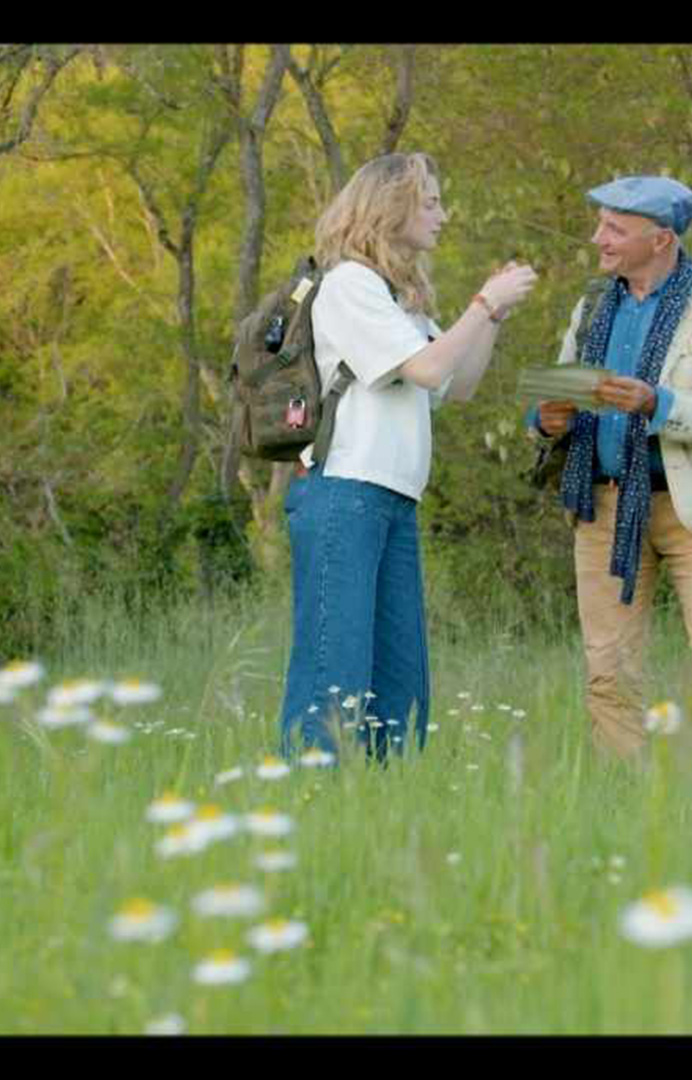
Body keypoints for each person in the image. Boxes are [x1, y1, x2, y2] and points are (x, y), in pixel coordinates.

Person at [280, 151, 537, 762]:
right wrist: (480, 306)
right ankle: (311, 803)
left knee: (399, 680)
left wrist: (491, 312)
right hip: (343, 492)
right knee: (333, 671)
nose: (443, 216)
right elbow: (424, 368)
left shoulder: (402, 297)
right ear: (390, 207)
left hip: (393, 499)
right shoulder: (349, 284)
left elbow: (457, 383)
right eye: (431, 202)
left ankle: (384, 806)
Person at [531, 175, 692, 769]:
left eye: (615, 228)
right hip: (604, 506)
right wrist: (546, 418)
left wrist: (655, 403)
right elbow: (557, 395)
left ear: (660, 239)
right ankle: (623, 796)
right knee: (608, 669)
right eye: (601, 225)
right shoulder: (591, 305)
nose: (599, 239)